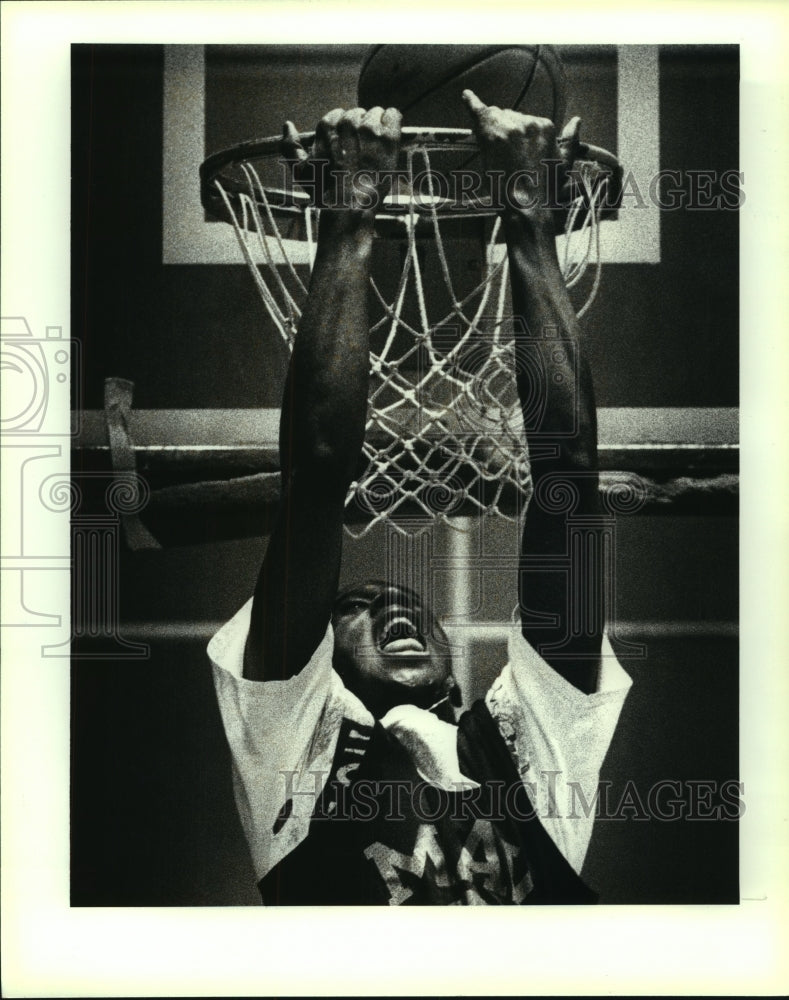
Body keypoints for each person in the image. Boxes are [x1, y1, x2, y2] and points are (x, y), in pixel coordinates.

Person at [208, 92, 632, 905]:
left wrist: (527, 217)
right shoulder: (289, 743)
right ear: (315, 655)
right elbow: (318, 477)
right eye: (358, 605)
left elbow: (568, 475)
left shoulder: (523, 744)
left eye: (402, 604)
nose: (396, 610)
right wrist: (350, 216)